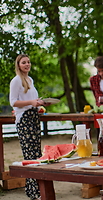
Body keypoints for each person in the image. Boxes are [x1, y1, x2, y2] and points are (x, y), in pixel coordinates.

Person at [9, 54, 47, 200]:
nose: (27, 64)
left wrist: (39, 104)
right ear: (18, 65)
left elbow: (30, 100)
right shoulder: (16, 80)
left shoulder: (30, 80)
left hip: (34, 117)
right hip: (24, 120)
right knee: (30, 156)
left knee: (37, 155)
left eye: (28, 62)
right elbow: (13, 102)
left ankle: (36, 190)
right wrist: (31, 102)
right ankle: (32, 192)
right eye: (23, 62)